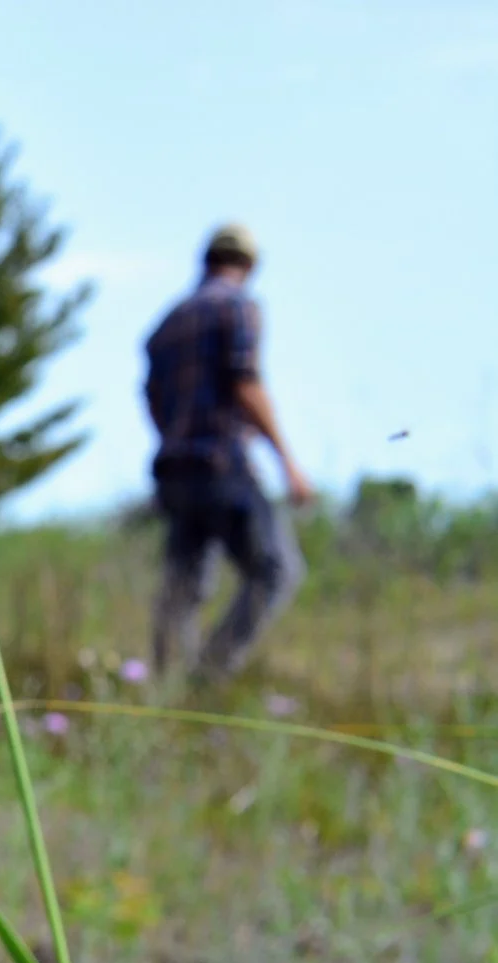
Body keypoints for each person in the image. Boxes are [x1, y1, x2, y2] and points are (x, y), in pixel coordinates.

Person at [141, 222, 315, 681]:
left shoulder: (167, 324)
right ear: (249, 265)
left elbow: (152, 397)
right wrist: (288, 462)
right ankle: (205, 679)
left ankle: (165, 686)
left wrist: (175, 437)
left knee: (185, 584)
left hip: (174, 471)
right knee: (276, 570)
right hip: (222, 464)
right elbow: (246, 382)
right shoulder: (237, 306)